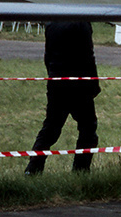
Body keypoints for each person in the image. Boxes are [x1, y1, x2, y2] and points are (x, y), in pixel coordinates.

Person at [24, 21, 100, 175]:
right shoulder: (82, 23)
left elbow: (47, 56)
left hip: (56, 83)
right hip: (79, 85)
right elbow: (87, 55)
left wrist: (52, 77)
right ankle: (81, 170)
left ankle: (33, 169)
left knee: (50, 128)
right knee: (88, 128)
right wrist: (94, 84)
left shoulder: (51, 23)